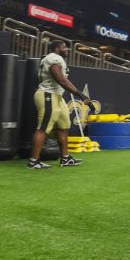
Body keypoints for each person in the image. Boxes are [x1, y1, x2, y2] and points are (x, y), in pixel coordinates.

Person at [27, 40, 93, 169]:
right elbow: (61, 80)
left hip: (57, 96)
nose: (67, 49)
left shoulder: (57, 59)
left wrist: (79, 93)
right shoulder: (54, 58)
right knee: (43, 129)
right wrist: (81, 94)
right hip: (47, 94)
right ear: (57, 48)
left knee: (64, 126)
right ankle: (33, 161)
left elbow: (64, 80)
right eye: (64, 47)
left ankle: (65, 158)